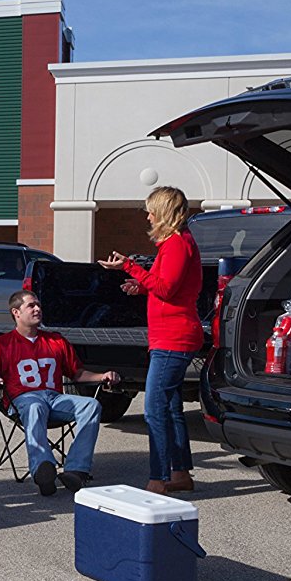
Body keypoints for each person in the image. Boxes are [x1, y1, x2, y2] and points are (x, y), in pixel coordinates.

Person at [100, 185, 203, 495]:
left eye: (150, 210)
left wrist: (130, 266)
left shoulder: (176, 244)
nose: (147, 215)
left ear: (163, 212)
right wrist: (140, 285)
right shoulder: (174, 244)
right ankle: (180, 474)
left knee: (154, 409)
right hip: (169, 337)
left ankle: (158, 479)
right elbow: (164, 285)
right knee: (171, 408)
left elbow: (169, 289)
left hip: (174, 339)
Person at [0, 290, 120, 495]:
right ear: (16, 312)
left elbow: (77, 374)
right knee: (35, 405)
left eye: (39, 305)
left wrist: (103, 375)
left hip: (55, 399)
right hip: (22, 402)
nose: (37, 309)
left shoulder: (56, 341)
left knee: (91, 405)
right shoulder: (2, 344)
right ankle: (43, 470)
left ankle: (76, 470)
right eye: (31, 306)